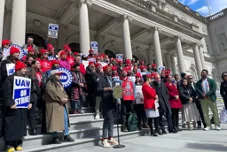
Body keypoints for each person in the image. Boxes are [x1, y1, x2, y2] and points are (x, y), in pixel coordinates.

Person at [2, 61, 32, 152]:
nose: (25, 70)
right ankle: (9, 144)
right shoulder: (9, 79)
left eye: (25, 68)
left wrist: (29, 102)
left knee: (20, 125)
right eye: (23, 68)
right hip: (13, 107)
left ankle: (18, 142)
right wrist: (10, 103)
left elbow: (27, 92)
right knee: (11, 125)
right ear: (18, 69)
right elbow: (6, 92)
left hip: (22, 107)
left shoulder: (26, 79)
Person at [45, 70, 74, 144]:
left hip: (62, 104)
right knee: (54, 121)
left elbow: (64, 92)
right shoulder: (49, 83)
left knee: (65, 119)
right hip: (54, 105)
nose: (59, 76)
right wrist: (60, 98)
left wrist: (66, 98)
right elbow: (52, 92)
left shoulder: (59, 83)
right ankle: (54, 137)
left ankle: (66, 135)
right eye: (58, 74)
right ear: (54, 75)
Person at [98, 66, 118, 148]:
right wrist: (108, 88)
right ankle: (104, 138)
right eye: (109, 70)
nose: (111, 71)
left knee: (112, 119)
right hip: (106, 102)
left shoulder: (112, 80)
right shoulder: (102, 79)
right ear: (105, 71)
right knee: (107, 119)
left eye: (111, 70)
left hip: (112, 101)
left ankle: (111, 137)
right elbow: (99, 89)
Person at [28, 60, 42, 135]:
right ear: (33, 65)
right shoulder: (30, 73)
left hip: (40, 93)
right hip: (33, 93)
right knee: (32, 112)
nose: (40, 64)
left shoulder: (40, 73)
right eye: (38, 63)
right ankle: (33, 128)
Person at [121, 68, 136, 132]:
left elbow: (134, 89)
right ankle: (124, 125)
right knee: (124, 112)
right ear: (121, 73)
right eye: (123, 72)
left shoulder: (131, 81)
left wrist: (134, 97)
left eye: (125, 72)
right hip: (123, 99)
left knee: (130, 111)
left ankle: (130, 124)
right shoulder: (120, 81)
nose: (124, 73)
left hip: (130, 99)